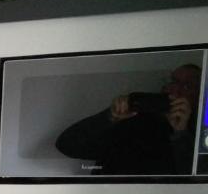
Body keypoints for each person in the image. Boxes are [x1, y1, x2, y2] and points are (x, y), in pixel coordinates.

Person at [55, 63, 201, 175]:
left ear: (200, 95)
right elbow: (68, 145)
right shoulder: (134, 117)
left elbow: (193, 183)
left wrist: (180, 134)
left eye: (187, 86)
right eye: (173, 81)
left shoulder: (199, 134)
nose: (175, 90)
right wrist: (109, 117)